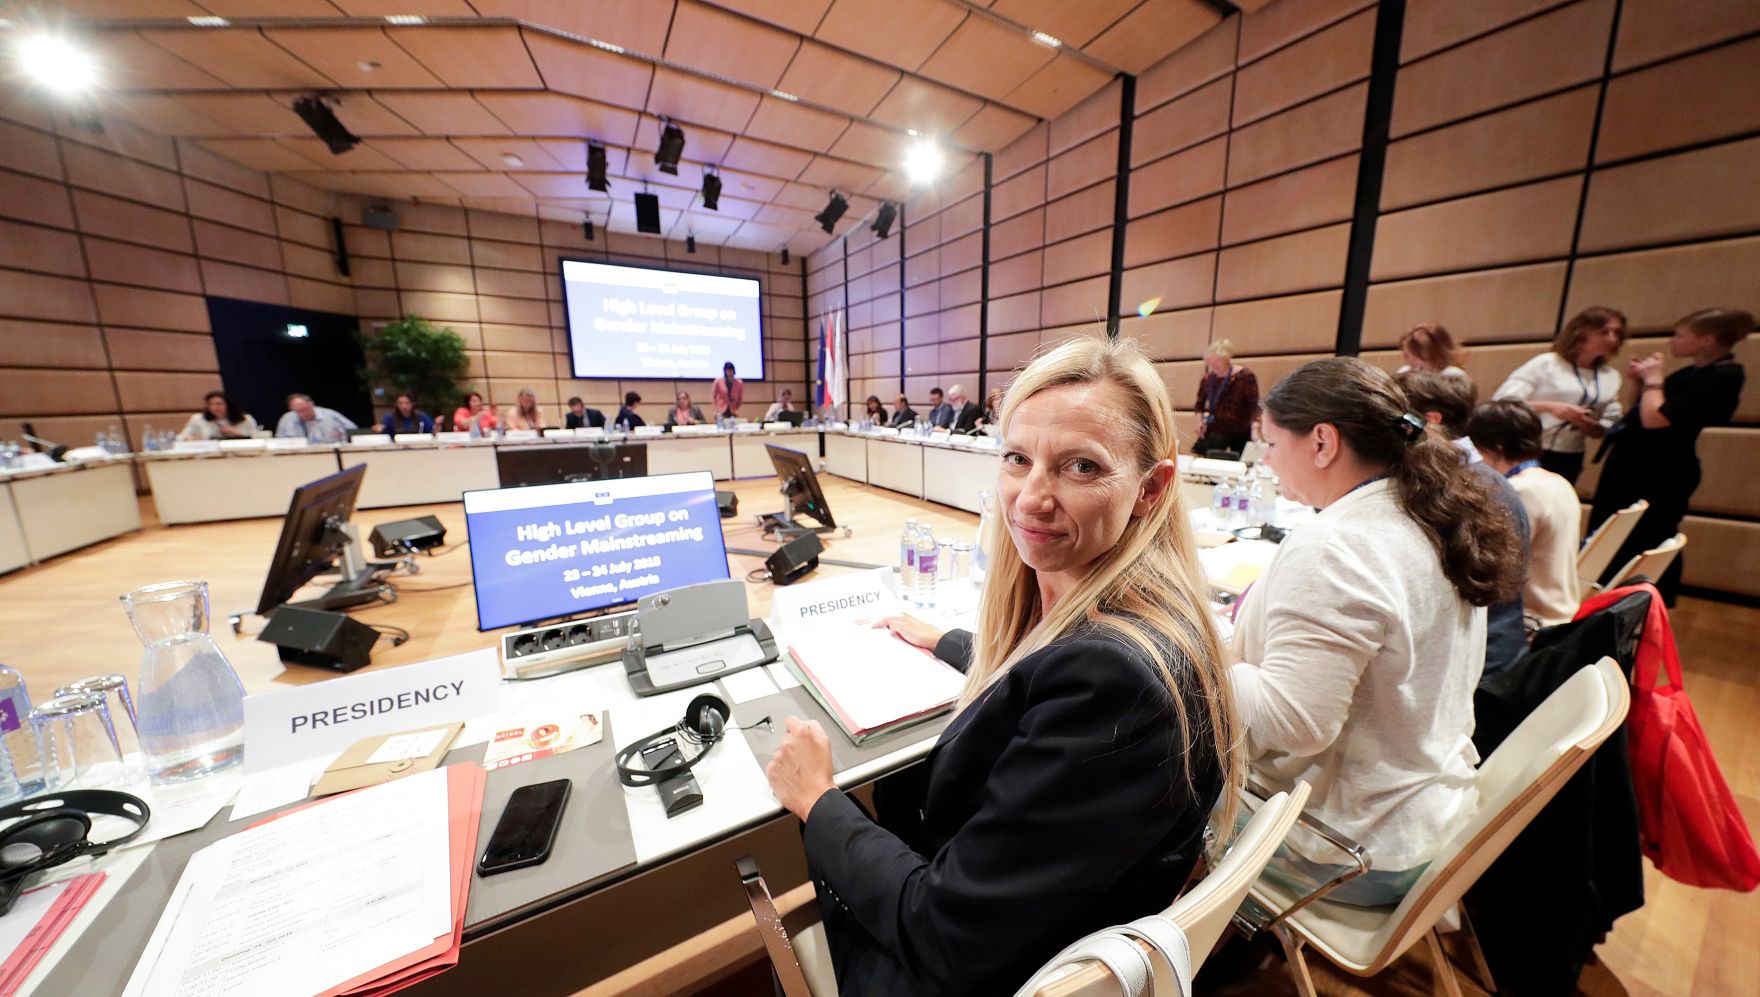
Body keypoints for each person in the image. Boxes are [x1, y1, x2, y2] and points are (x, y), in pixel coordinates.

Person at [763, 337, 1240, 996]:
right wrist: (949, 642)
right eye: (1018, 458)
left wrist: (817, 800)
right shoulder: (1127, 621)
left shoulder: (1117, 686)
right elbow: (1048, 668)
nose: (1030, 497)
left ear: (1150, 489)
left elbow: (942, 936)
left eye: (1081, 466)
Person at [1232, 357, 1523, 905]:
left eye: (1270, 443)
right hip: (1423, 821)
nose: (1266, 459)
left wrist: (1205, 657)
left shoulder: (1336, 545)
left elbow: (1296, 724)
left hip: (1343, 850)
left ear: (1322, 442)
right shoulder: (1436, 514)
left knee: (1150, 772)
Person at [1589, 307, 1751, 603]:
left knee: (1645, 535)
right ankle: (1603, 595)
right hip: (1634, 466)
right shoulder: (1691, 372)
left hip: (1661, 473)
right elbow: (1640, 412)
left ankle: (1637, 600)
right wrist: (1641, 382)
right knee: (1612, 533)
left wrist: (1654, 377)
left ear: (1707, 339)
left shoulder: (1725, 376)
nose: (1672, 341)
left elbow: (1656, 420)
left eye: (1680, 336)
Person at [1398, 370, 1532, 676]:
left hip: (1482, 668)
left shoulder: (1461, 490)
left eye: (1398, 419)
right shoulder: (1483, 479)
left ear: (1430, 420)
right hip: (1494, 652)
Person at [1470, 400, 1583, 627]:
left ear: (1497, 449)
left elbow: (1492, 566)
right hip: (1562, 614)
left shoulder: (1519, 492)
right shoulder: (1558, 481)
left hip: (1531, 622)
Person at [1491, 306, 1627, 484]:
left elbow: (1605, 427)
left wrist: (1586, 424)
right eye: (1604, 332)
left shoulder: (1611, 377)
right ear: (1581, 332)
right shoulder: (1547, 363)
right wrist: (1550, 407)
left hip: (1571, 456)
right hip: (1528, 449)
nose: (1612, 338)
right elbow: (1501, 403)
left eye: (1617, 333)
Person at [1192, 340, 1260, 456]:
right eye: (1210, 363)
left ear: (1227, 358)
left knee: (1241, 461)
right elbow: (1199, 405)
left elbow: (1254, 406)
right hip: (1217, 428)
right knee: (1205, 458)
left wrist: (1255, 429)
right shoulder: (1208, 379)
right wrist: (1199, 422)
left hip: (1241, 430)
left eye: (1217, 362)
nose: (1213, 366)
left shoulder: (1245, 376)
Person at [274, 393, 356, 443]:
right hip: (298, 458)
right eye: (299, 411)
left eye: (305, 409)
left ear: (312, 404)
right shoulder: (287, 419)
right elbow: (278, 442)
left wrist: (342, 435)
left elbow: (354, 431)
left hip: (327, 454)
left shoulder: (330, 415)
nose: (303, 414)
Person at [177, 390, 258, 440]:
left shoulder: (246, 419)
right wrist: (187, 438)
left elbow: (258, 439)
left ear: (228, 405)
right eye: (210, 404)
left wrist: (239, 434)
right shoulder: (198, 419)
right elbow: (181, 437)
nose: (214, 407)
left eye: (218, 404)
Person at [1397, 324, 1468, 378]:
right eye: (1407, 356)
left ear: (1437, 353)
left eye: (1417, 355)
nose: (1411, 361)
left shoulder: (1452, 375)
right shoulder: (1404, 374)